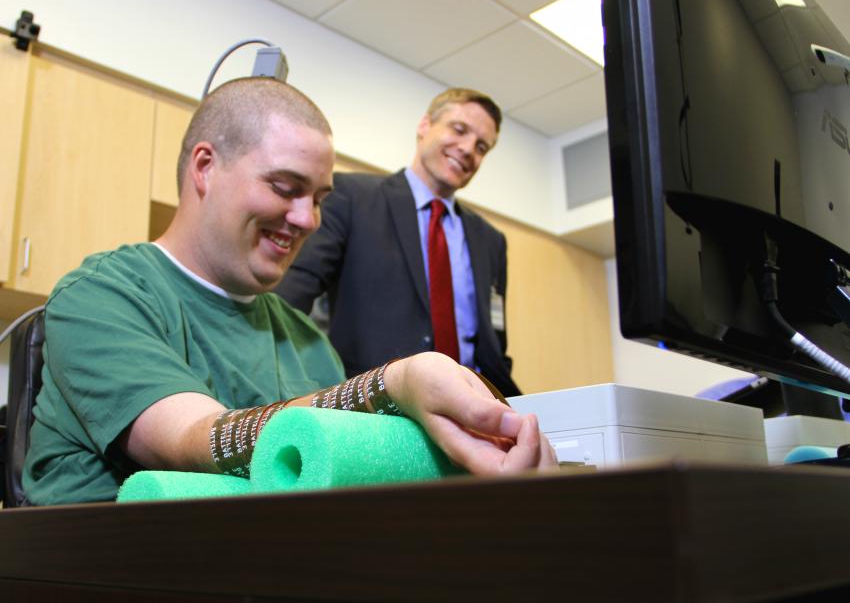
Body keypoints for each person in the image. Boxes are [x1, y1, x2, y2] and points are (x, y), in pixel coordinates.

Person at [23, 78, 556, 506]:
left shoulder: (305, 339)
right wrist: (394, 384)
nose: (307, 219)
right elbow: (192, 440)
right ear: (205, 167)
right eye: (284, 188)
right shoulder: (99, 296)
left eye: (319, 197)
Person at [276, 88, 522, 397]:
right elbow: (290, 297)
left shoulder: (491, 241)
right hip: (381, 405)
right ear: (424, 125)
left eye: (481, 146)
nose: (468, 149)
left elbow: (495, 342)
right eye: (459, 130)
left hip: (476, 405)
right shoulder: (351, 197)